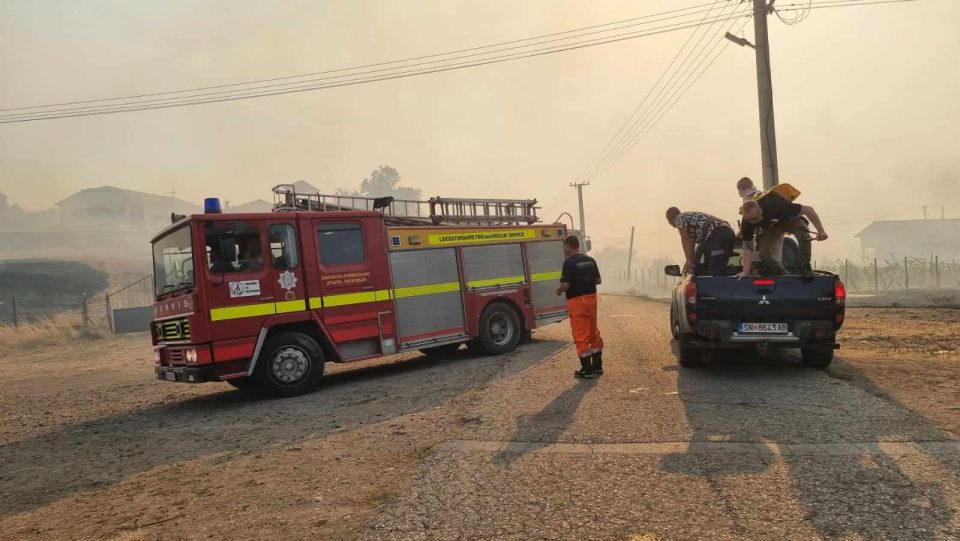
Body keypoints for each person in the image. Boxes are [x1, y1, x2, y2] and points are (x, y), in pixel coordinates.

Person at [738, 197, 828, 279]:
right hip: (772, 227)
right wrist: (745, 272)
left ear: (760, 209)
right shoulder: (747, 223)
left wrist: (821, 231)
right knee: (764, 252)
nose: (753, 222)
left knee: (803, 236)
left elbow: (809, 210)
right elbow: (747, 247)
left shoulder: (774, 205)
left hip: (789, 219)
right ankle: (782, 272)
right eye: (749, 220)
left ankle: (806, 267)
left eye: (755, 218)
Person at [556, 235, 603, 379]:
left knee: (580, 334)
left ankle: (586, 369)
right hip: (591, 300)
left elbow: (566, 285)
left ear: (569, 246)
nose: (564, 249)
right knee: (593, 331)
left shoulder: (568, 262)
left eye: (565, 247)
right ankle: (597, 366)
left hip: (577, 302)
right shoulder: (590, 260)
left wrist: (559, 290)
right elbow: (598, 280)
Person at [665, 207, 736, 276]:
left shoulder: (679, 218)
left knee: (715, 272)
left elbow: (685, 240)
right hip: (728, 231)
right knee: (717, 263)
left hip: (717, 234)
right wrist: (690, 260)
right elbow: (691, 243)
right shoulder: (689, 218)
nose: (670, 224)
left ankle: (718, 286)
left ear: (670, 218)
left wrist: (689, 261)